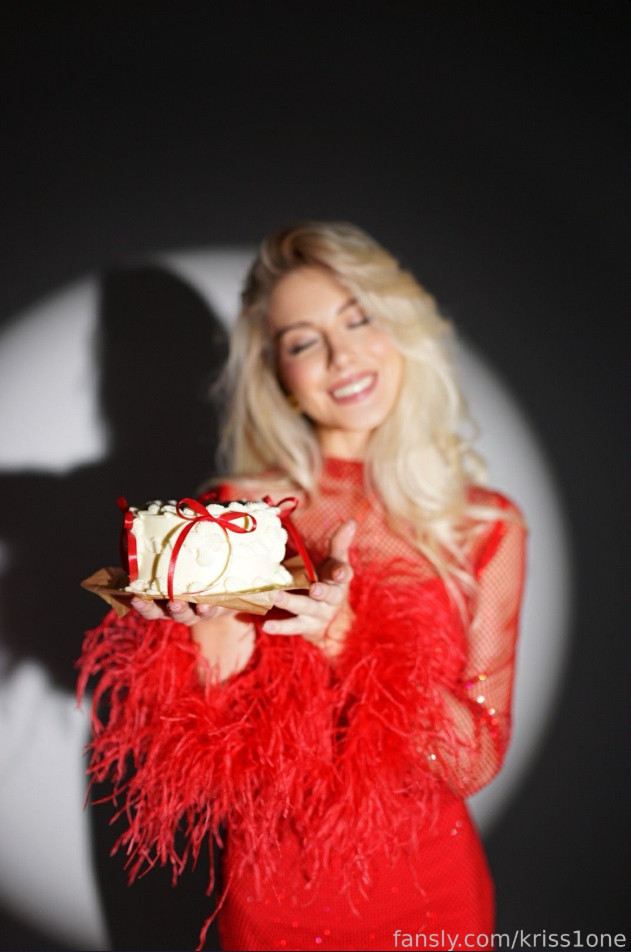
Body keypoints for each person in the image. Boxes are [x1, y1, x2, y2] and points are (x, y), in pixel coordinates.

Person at [77, 222, 527, 952]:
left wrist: (349, 639)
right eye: (302, 341)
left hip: (433, 901)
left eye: (358, 318)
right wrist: (201, 636)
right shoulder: (237, 510)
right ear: (277, 372)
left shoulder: (483, 527)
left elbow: (471, 761)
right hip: (273, 899)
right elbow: (208, 755)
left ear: (400, 325)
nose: (340, 356)